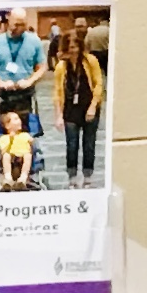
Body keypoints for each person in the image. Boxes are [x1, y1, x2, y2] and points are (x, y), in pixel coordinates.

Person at [53, 18, 106, 187]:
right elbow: (57, 92)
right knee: (72, 144)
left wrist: (93, 106)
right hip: (70, 110)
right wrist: (58, 116)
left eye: (75, 48)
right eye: (70, 48)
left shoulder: (91, 61)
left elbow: (98, 84)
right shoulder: (61, 66)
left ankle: (88, 177)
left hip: (89, 107)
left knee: (89, 144)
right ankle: (72, 177)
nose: (73, 52)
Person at [0, 7, 47, 150]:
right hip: (4, 96)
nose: (19, 28)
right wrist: (0, 82)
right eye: (16, 24)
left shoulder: (34, 41)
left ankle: (26, 167)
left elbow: (42, 67)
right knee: (3, 137)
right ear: (9, 20)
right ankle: (3, 166)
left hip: (25, 95)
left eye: (23, 24)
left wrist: (30, 81)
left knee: (26, 137)